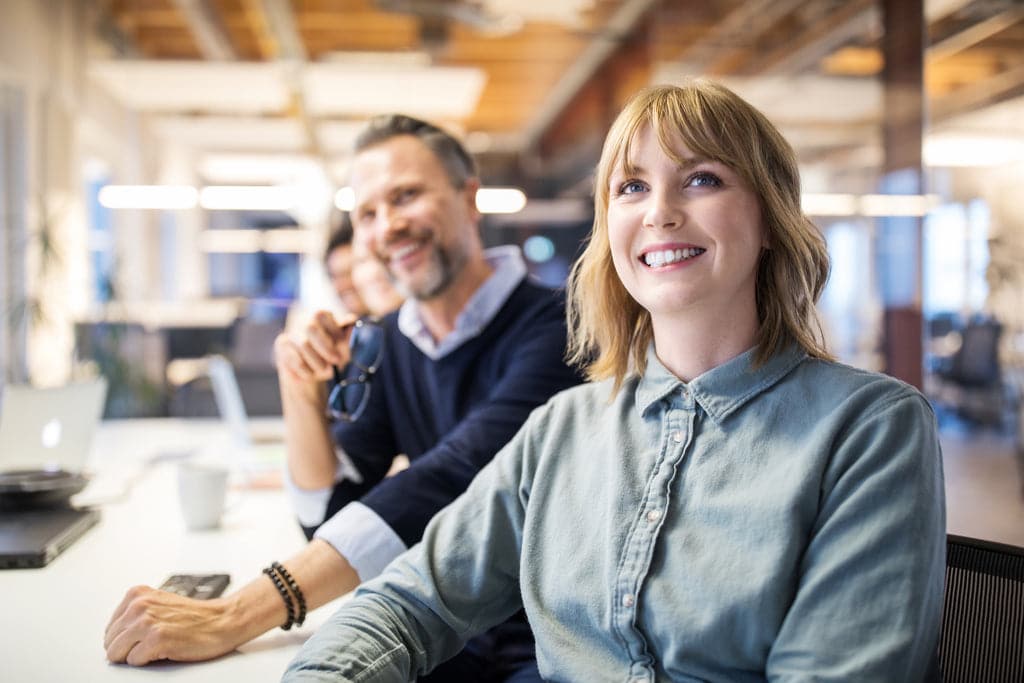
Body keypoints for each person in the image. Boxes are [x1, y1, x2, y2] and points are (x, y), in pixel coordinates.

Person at [283, 80, 947, 681]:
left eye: (703, 179)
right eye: (631, 187)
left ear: (770, 218)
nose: (659, 212)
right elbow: (410, 598)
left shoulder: (871, 427)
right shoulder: (562, 426)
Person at [104, 114, 582, 679]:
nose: (387, 227)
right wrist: (299, 388)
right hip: (451, 630)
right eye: (368, 214)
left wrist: (235, 613)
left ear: (469, 198)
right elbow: (329, 517)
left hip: (550, 636)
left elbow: (451, 482)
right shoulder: (390, 344)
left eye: (406, 196)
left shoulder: (560, 325)